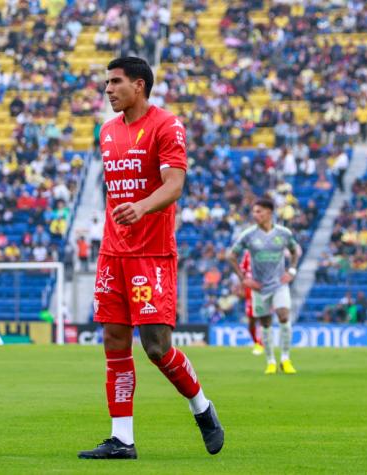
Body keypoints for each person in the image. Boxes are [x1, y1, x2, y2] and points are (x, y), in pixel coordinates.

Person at [78, 57, 223, 460]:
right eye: (107, 83)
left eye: (115, 82)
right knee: (114, 340)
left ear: (139, 85)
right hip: (113, 252)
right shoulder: (107, 131)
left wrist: (141, 207)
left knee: (156, 347)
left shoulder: (166, 125)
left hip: (151, 253)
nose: (108, 89)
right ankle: (121, 439)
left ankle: (202, 407)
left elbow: (174, 185)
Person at [227, 199, 302, 375]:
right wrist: (244, 279)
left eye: (259, 211)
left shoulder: (283, 233)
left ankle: (285, 359)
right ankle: (270, 361)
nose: (255, 215)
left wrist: (291, 270)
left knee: (284, 316)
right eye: (254, 211)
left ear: (269, 212)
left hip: (279, 284)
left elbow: (295, 251)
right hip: (259, 287)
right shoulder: (248, 235)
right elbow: (231, 256)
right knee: (266, 323)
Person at [241, 251, 264, 355]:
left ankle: (261, 343)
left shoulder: (267, 252)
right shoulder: (247, 253)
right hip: (249, 292)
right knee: (251, 320)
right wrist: (242, 284)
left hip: (262, 290)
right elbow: (242, 271)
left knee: (263, 318)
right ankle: (256, 343)